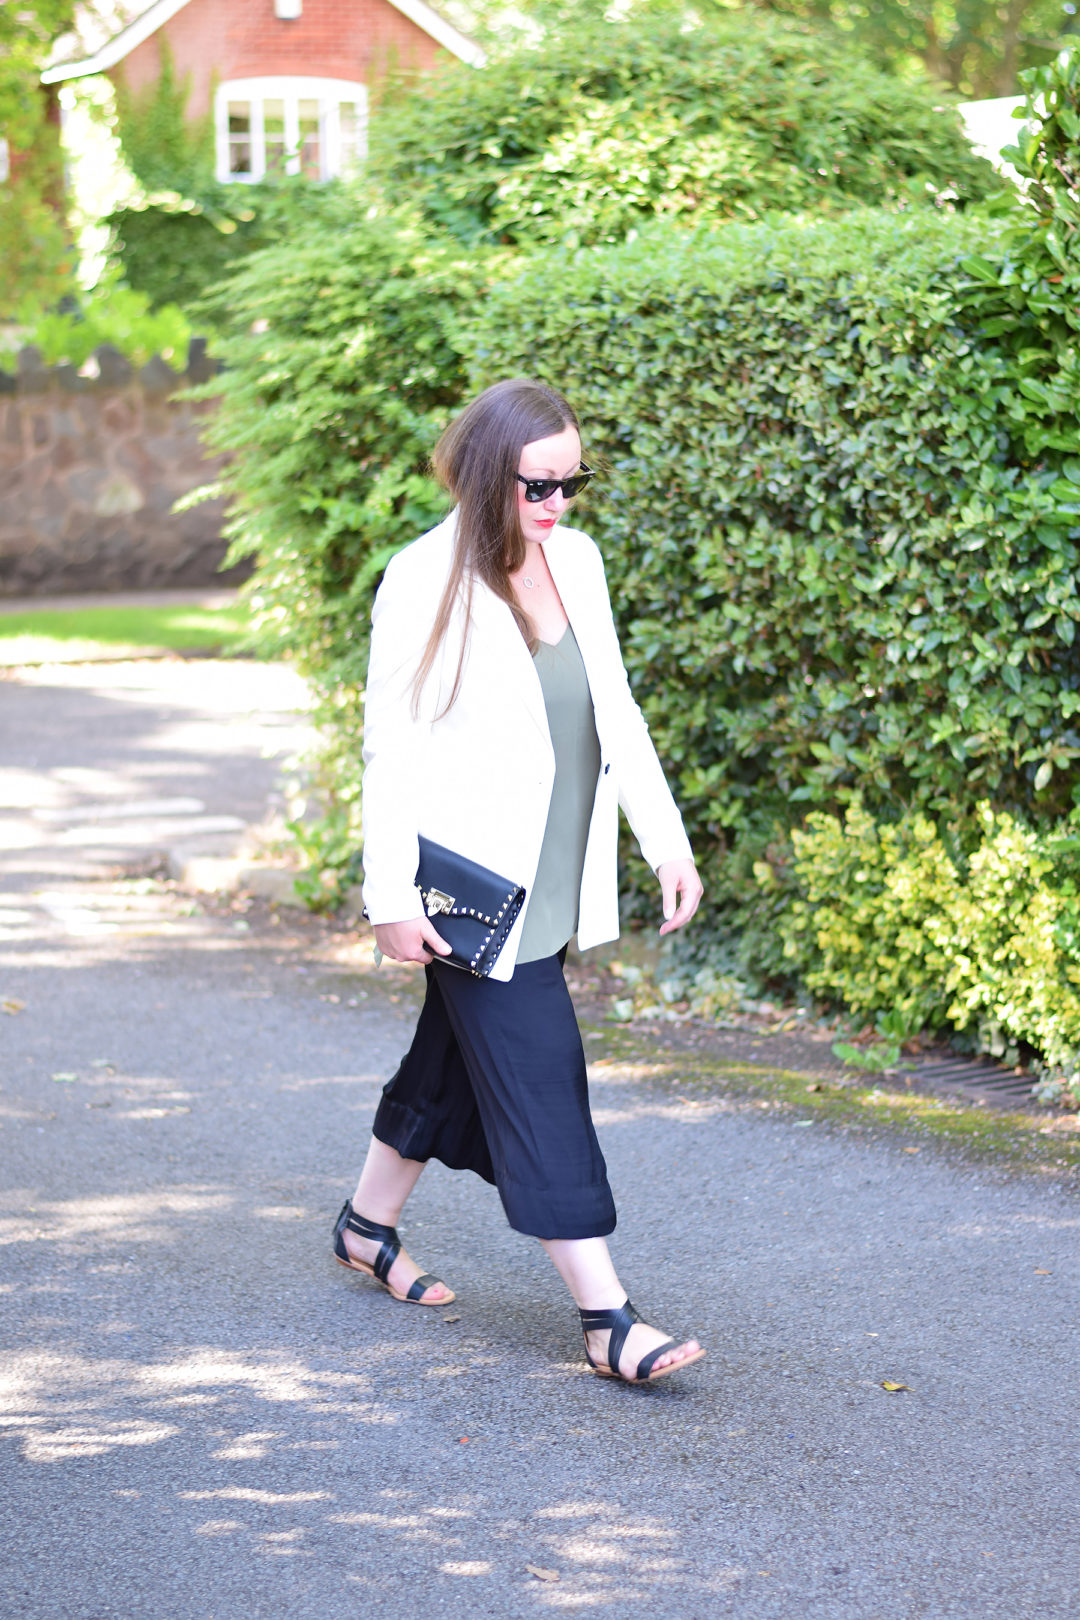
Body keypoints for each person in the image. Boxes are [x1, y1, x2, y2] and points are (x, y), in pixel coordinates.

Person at [333, 378, 706, 1386]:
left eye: (573, 485)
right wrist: (391, 897)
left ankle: (366, 1226)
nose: (558, 505)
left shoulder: (575, 561)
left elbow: (614, 712)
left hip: (553, 874)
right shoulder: (424, 580)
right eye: (539, 487)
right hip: (468, 888)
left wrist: (664, 842)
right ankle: (608, 1319)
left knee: (446, 1063)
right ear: (492, 474)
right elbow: (391, 751)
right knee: (543, 1072)